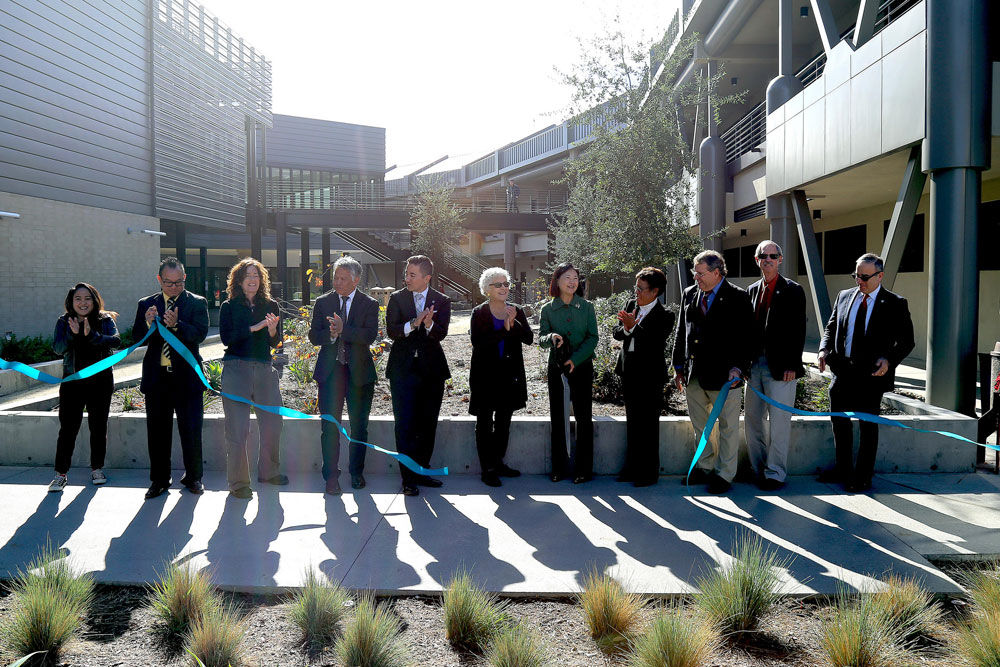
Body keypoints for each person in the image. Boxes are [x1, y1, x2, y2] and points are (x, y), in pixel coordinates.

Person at [818, 252, 915, 493]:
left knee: (868, 427)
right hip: (842, 371)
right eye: (856, 275)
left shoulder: (895, 303)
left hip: (871, 376)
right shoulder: (844, 296)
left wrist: (889, 359)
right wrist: (823, 349)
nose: (859, 281)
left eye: (864, 277)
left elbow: (907, 341)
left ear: (880, 276)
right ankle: (843, 469)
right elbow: (831, 326)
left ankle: (862, 476)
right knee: (839, 423)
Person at [672, 250, 754, 494]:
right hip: (694, 374)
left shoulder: (738, 296)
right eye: (694, 272)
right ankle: (704, 467)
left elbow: (748, 337)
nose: (695, 277)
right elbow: (681, 332)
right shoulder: (690, 294)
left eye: (700, 273)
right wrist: (678, 367)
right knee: (701, 426)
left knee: (728, 427)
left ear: (717, 272)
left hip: (726, 377)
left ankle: (724, 474)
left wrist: (739, 368)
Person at [133, 256, 210, 499]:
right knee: (157, 433)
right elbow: (136, 338)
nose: (174, 287)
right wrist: (148, 323)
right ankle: (159, 480)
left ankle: (194, 477)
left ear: (184, 278)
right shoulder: (147, 304)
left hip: (187, 379)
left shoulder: (197, 302)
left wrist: (177, 325)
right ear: (159, 279)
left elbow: (200, 335)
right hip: (157, 380)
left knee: (191, 431)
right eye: (168, 283)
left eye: (178, 282)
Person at [309, 256, 379, 495]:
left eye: (342, 278)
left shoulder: (369, 304)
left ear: (356, 280)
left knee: (359, 427)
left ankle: (357, 473)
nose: (337, 282)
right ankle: (331, 476)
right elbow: (313, 335)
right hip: (331, 374)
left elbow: (369, 335)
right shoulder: (323, 302)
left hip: (359, 374)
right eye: (335, 278)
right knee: (330, 427)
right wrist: (330, 335)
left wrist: (343, 330)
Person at [385, 255, 451, 497]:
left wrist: (430, 324)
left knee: (427, 423)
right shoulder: (397, 298)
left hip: (431, 371)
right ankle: (408, 478)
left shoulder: (442, 300)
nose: (407, 279)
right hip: (402, 370)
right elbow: (391, 331)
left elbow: (441, 334)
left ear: (427, 278)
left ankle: (422, 471)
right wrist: (413, 323)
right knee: (404, 424)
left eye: (412, 275)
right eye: (406, 274)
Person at [219, 258, 285, 500]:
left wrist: (271, 330)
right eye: (248, 275)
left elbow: (276, 342)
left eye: (256, 275)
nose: (253, 279)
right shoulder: (229, 306)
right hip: (236, 369)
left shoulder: (271, 305)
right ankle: (239, 483)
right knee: (238, 429)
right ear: (238, 280)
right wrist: (254, 327)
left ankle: (269, 472)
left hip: (264, 368)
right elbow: (226, 338)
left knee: (273, 423)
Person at [744, 241, 807, 491]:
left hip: (781, 368)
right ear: (757, 259)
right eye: (763, 255)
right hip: (754, 366)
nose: (768, 259)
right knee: (753, 420)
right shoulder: (751, 290)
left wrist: (793, 364)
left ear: (780, 259)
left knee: (779, 422)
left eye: (773, 255)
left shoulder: (793, 290)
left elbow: (798, 330)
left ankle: (775, 473)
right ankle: (758, 470)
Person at [48, 283, 120, 492]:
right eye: (78, 298)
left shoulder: (105, 320)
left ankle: (97, 469)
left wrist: (91, 335)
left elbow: (115, 341)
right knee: (68, 429)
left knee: (98, 427)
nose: (83, 302)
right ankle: (61, 474)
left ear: (94, 300)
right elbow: (57, 348)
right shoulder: (64, 321)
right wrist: (72, 334)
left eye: (87, 298)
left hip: (101, 382)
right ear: (71, 302)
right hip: (73, 382)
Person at [469, 267, 533, 487]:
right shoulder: (478, 312)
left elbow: (529, 338)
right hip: (484, 377)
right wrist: (504, 330)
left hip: (509, 377)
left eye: (506, 284)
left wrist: (513, 323)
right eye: (499, 284)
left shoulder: (516, 310)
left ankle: (498, 463)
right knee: (484, 423)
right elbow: (478, 342)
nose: (504, 288)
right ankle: (487, 469)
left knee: (504, 423)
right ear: (487, 289)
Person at [613, 267, 674, 487]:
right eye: (635, 287)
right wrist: (626, 328)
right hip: (629, 372)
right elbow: (616, 332)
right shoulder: (631, 305)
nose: (636, 292)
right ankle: (631, 468)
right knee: (633, 423)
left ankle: (648, 473)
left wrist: (633, 327)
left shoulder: (666, 315)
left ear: (655, 291)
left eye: (641, 288)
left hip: (650, 377)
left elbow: (654, 342)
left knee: (648, 425)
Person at [539, 262, 598, 484]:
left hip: (582, 367)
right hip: (557, 368)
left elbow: (593, 337)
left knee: (584, 418)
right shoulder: (547, 309)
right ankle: (559, 468)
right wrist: (552, 337)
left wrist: (576, 359)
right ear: (557, 281)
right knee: (558, 417)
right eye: (567, 277)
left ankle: (584, 470)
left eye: (575, 278)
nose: (572, 282)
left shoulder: (587, 307)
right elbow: (541, 338)